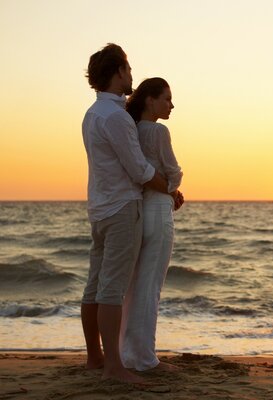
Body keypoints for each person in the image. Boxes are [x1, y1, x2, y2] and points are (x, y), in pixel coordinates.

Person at [80, 44, 181, 383]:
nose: (132, 77)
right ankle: (114, 366)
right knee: (113, 289)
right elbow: (139, 169)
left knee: (95, 287)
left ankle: (95, 358)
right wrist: (170, 189)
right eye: (128, 69)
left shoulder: (94, 113)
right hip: (123, 208)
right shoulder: (117, 118)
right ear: (119, 72)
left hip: (98, 207)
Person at [120, 78, 183, 372]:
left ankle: (128, 353)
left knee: (134, 286)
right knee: (150, 287)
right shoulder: (159, 131)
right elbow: (173, 173)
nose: (171, 105)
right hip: (159, 211)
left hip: (140, 210)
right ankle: (145, 358)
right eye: (167, 99)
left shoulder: (131, 130)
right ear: (150, 100)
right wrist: (174, 188)